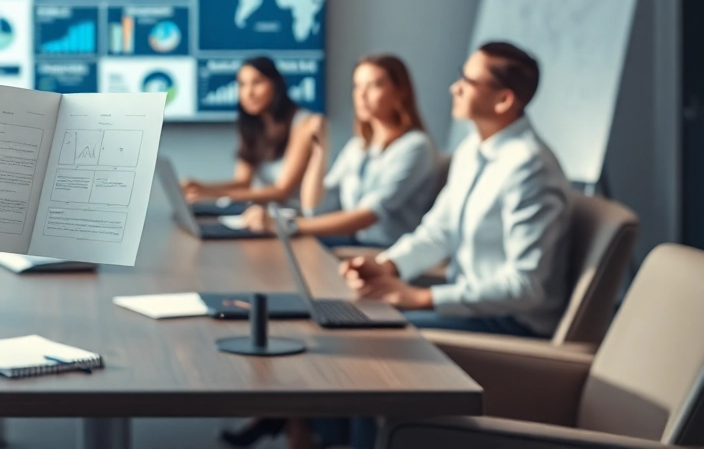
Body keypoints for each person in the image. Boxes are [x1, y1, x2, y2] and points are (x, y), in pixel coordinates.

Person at [342, 41, 572, 337]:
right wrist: (388, 266)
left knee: (372, 332)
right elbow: (439, 231)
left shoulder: (530, 167)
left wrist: (424, 298)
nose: (455, 88)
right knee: (355, 315)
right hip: (470, 307)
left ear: (503, 100)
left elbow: (526, 287)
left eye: (469, 81)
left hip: (510, 322)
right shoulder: (471, 149)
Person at [239, 54, 437, 248]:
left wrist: (284, 225)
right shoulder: (359, 146)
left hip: (383, 248)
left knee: (287, 247)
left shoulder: (414, 146)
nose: (361, 95)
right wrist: (319, 151)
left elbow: (369, 215)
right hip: (355, 241)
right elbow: (314, 208)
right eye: (357, 86)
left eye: (374, 85)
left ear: (400, 91)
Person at [182, 56, 322, 205]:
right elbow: (242, 181)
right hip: (262, 215)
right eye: (242, 85)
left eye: (257, 82)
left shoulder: (304, 123)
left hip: (296, 218)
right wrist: (202, 188)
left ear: (276, 85)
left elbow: (282, 190)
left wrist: (214, 197)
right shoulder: (252, 125)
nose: (249, 93)